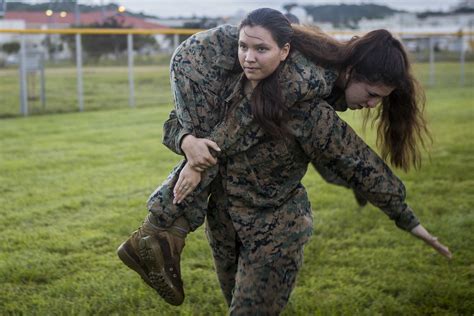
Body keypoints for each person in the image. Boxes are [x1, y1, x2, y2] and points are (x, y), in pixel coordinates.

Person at [117, 9, 451, 312]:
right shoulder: (247, 84)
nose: (372, 105)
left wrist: (406, 218)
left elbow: (358, 162)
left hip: (274, 229)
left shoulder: (309, 110)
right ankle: (160, 234)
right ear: (350, 72)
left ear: (284, 52)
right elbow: (174, 124)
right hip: (224, 223)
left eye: (260, 49)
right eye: (372, 95)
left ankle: (160, 231)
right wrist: (188, 142)